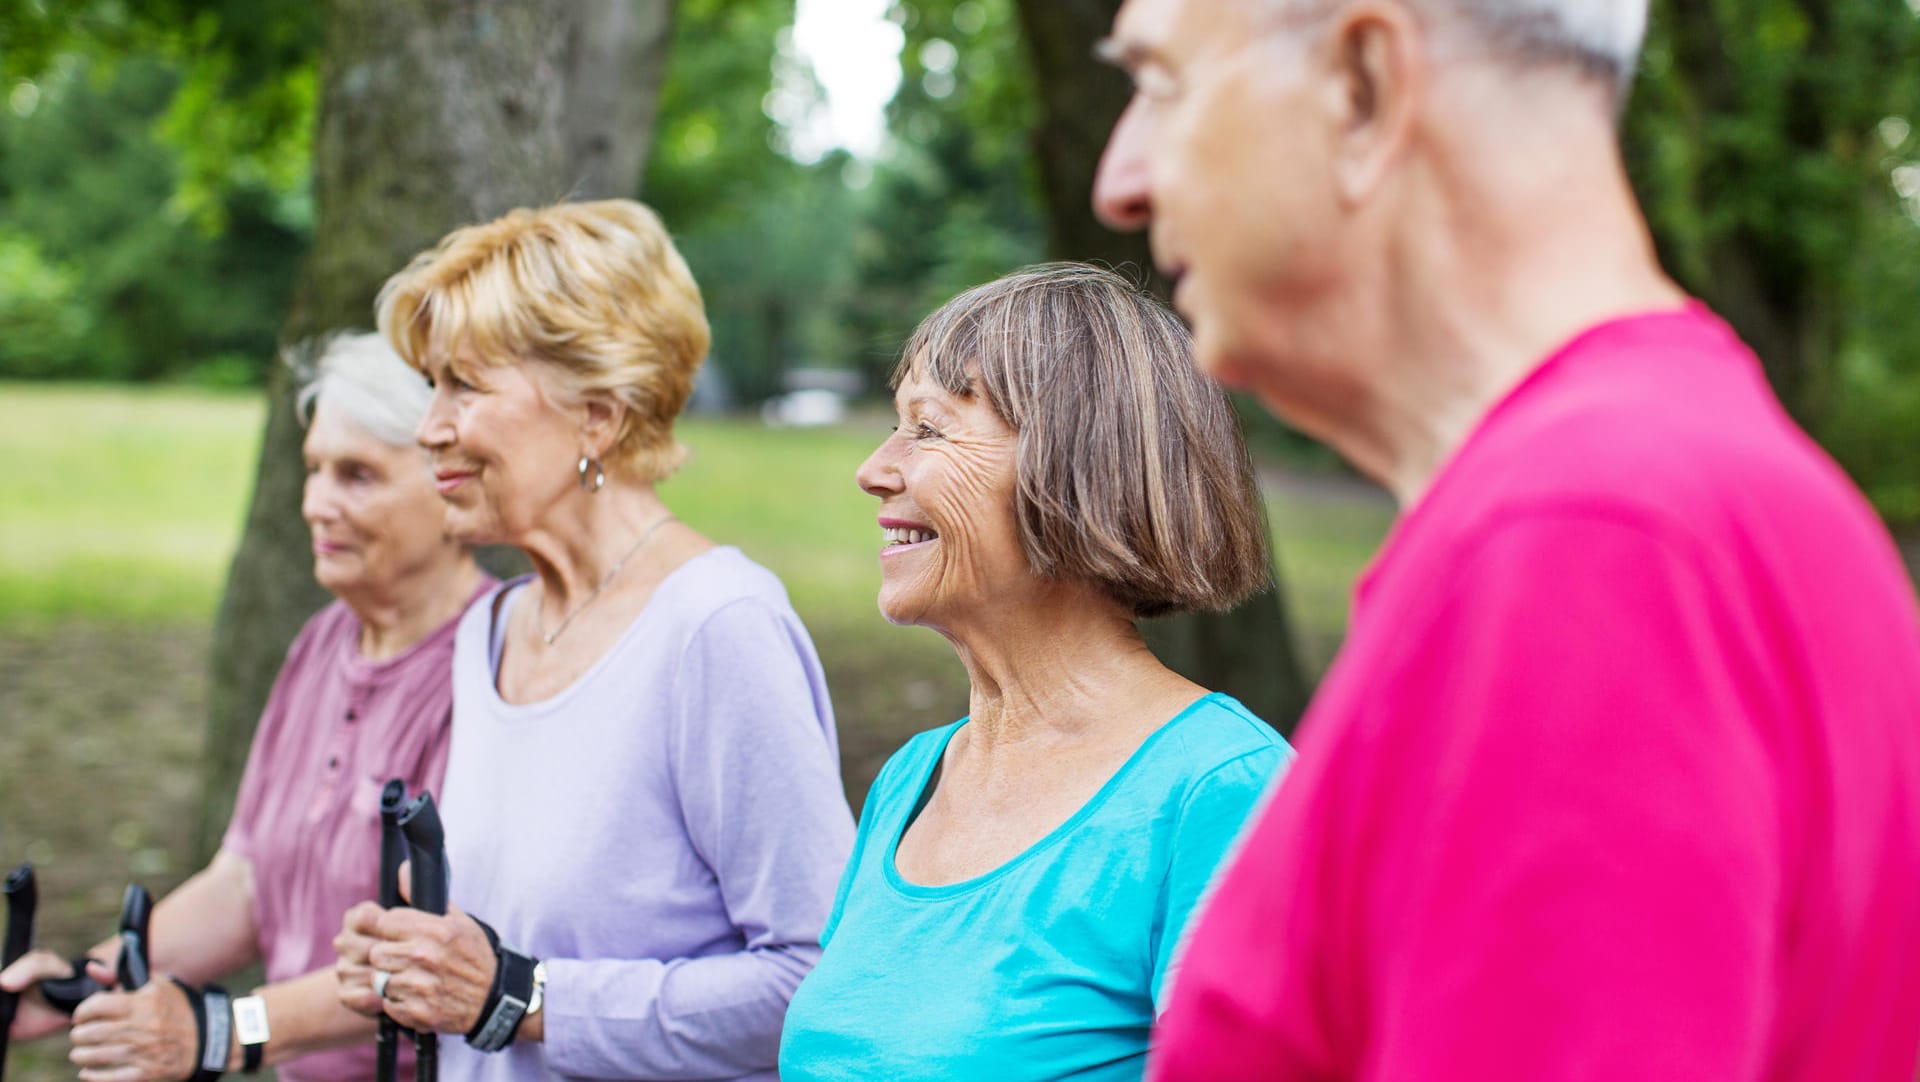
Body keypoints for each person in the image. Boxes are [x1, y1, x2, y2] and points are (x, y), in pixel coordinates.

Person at [1091, 2, 1920, 1080]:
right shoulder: (1669, 494)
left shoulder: (1586, 550)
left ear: (1363, 87)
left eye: (1161, 83)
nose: (1122, 178)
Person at [329, 199, 855, 1082]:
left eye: (466, 385)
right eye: (433, 389)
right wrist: (417, 954)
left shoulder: (718, 629)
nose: (430, 429)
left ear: (598, 417)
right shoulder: (490, 630)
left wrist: (522, 996)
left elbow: (818, 981)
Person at [778, 263, 1292, 1081]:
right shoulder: (914, 780)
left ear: (1078, 464)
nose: (875, 469)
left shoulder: (1221, 791)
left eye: (930, 428)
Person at [0, 333, 489, 1081]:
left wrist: (225, 1027)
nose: (317, 504)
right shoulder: (324, 644)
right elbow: (247, 883)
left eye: (357, 476)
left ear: (447, 481)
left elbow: (447, 956)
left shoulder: (496, 664)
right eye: (315, 469)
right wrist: (82, 985)